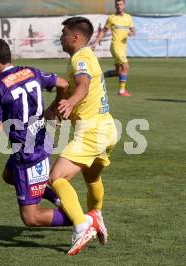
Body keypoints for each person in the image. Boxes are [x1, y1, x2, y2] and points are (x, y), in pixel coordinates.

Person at [0, 38, 82, 237]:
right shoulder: (31, 71)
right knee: (8, 176)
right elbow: (63, 84)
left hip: (29, 155)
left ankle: (82, 218)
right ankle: (59, 200)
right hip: (40, 141)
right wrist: (55, 106)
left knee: (31, 218)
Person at [45, 16, 118, 255]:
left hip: (92, 131)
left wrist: (71, 102)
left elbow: (83, 86)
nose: (61, 37)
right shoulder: (87, 56)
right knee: (92, 177)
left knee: (56, 178)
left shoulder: (81, 57)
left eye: (64, 33)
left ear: (76, 37)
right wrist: (60, 106)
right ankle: (95, 216)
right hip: (108, 129)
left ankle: (81, 224)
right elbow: (80, 88)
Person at [91, 0, 135, 97]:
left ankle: (98, 77)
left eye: (120, 4)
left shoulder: (128, 17)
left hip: (123, 47)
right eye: (117, 4)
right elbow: (103, 31)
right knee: (125, 67)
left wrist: (131, 33)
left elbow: (133, 31)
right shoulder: (111, 18)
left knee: (118, 72)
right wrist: (95, 42)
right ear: (115, 6)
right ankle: (121, 91)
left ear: (124, 5)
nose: (119, 6)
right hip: (115, 46)